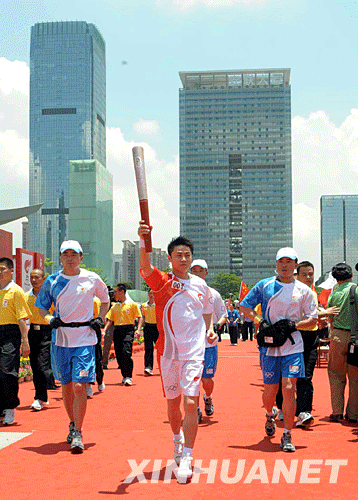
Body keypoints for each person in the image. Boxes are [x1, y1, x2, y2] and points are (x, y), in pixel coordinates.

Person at [138, 221, 215, 482]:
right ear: (170, 258)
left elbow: (206, 312)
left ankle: (189, 456)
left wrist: (209, 330)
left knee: (191, 402)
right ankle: (177, 440)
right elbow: (146, 267)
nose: (183, 258)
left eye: (187, 255)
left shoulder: (201, 286)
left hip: (193, 352)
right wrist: (143, 240)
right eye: (178, 255)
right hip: (168, 353)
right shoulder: (162, 282)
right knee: (173, 406)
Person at [240, 247, 318, 453]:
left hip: (293, 345)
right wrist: (261, 321)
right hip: (269, 345)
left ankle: (287, 434)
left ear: (295, 264)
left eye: (289, 261)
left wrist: (293, 326)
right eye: (281, 261)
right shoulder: (264, 286)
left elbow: (313, 319)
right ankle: (269, 413)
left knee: (289, 387)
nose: (284, 265)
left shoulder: (305, 290)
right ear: (276, 264)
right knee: (270, 391)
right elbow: (244, 306)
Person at [36, 240, 109, 453]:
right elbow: (41, 309)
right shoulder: (52, 281)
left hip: (85, 338)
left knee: (79, 386)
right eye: (66, 254)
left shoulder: (91, 278)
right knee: (67, 387)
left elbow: (105, 300)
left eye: (74, 254)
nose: (70, 258)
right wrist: (50, 319)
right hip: (61, 339)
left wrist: (100, 318)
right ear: (60, 257)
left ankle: (78, 431)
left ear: (81, 258)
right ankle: (73, 422)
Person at [295, 261, 340, 427]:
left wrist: (319, 317)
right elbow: (300, 315)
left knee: (306, 376)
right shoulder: (293, 292)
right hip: (295, 337)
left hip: (311, 336)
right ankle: (283, 406)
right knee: (289, 377)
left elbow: (311, 314)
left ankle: (304, 412)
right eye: (305, 274)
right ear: (297, 275)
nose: (308, 277)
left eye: (311, 274)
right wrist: (323, 313)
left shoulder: (312, 292)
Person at [190, 259, 227, 420]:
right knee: (193, 378)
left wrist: (217, 325)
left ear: (206, 273)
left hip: (209, 343)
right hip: (190, 343)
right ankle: (195, 407)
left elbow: (223, 314)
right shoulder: (185, 293)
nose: (197, 273)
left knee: (207, 378)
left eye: (201, 270)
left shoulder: (214, 294)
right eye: (194, 270)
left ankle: (208, 397)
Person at [0, 257, 31, 425]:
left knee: (7, 371)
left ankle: (10, 407)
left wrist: (25, 341)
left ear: (11, 271)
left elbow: (21, 318)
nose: (0, 272)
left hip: (10, 333)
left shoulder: (16, 291)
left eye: (2, 269)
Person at [326, 263, 358, 423]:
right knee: (355, 377)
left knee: (336, 374)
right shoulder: (356, 290)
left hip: (337, 335)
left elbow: (330, 315)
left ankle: (337, 411)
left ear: (335, 278)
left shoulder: (334, 293)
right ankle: (353, 414)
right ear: (351, 275)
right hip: (356, 338)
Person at [25, 268, 57, 411]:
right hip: (33, 331)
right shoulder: (26, 296)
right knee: (35, 365)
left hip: (48, 331)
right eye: (32, 277)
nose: (34, 280)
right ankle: (41, 397)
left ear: (43, 279)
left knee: (42, 363)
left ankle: (41, 395)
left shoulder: (50, 296)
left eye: (37, 277)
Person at [103, 283, 141, 386]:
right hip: (117, 330)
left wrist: (138, 330)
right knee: (119, 354)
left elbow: (139, 317)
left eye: (116, 292)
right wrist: (104, 330)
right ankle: (124, 375)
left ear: (122, 292)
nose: (114, 294)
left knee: (126, 352)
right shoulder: (115, 306)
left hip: (128, 330)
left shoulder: (132, 305)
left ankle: (129, 376)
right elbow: (110, 319)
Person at [136, 289, 159, 376]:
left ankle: (163, 367)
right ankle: (148, 367)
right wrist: (138, 329)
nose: (151, 295)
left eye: (153, 293)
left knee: (161, 349)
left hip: (158, 327)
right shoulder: (144, 305)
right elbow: (142, 317)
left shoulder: (159, 305)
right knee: (148, 348)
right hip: (148, 327)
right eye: (150, 293)